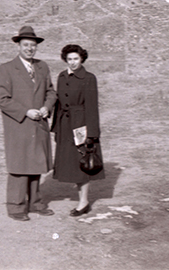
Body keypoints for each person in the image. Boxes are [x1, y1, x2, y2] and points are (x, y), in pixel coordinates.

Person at [0, 26, 56, 221]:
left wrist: (47, 107)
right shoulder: (6, 69)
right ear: (18, 46)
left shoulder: (42, 67)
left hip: (38, 124)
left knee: (36, 164)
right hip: (18, 125)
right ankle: (16, 207)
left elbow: (51, 92)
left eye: (32, 45)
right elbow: (2, 99)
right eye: (25, 45)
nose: (29, 49)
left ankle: (36, 204)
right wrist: (25, 111)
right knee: (19, 167)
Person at [51, 44, 104, 217]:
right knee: (72, 162)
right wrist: (56, 128)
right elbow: (58, 104)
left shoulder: (89, 78)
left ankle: (84, 201)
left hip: (81, 125)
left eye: (76, 59)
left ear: (82, 59)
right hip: (65, 124)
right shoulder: (61, 76)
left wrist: (92, 134)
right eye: (69, 59)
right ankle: (81, 198)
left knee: (83, 161)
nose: (73, 63)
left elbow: (92, 107)